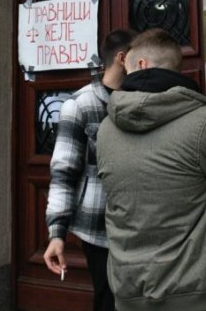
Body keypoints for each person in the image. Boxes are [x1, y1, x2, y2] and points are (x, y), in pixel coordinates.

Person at [97, 28, 206, 311]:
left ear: (141, 65)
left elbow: (134, 202)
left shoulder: (105, 129)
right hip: (198, 288)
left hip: (131, 288)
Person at [43, 28, 135, 311]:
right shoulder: (80, 104)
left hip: (141, 223)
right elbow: (63, 173)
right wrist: (57, 233)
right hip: (99, 227)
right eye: (139, 55)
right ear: (122, 58)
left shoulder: (143, 98)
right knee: (108, 300)